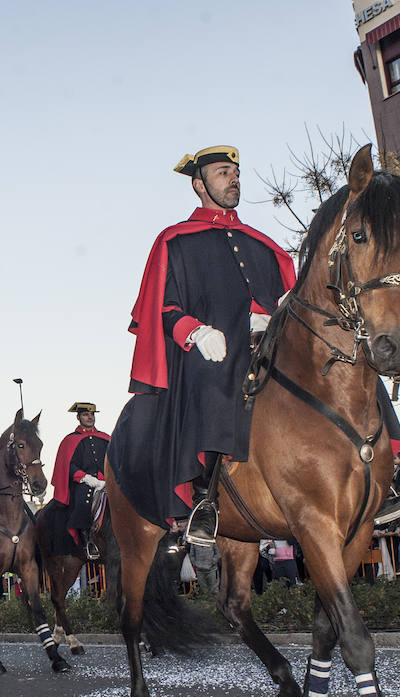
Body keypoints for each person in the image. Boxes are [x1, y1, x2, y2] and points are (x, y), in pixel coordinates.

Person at [110, 144, 293, 545]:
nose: (234, 179)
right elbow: (163, 305)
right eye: (224, 173)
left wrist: (278, 311)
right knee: (210, 377)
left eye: (235, 173)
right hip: (212, 352)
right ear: (199, 184)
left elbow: (285, 296)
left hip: (269, 347)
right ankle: (204, 498)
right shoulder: (177, 241)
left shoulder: (262, 244)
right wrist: (195, 331)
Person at [49, 402, 112, 560]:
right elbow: (68, 465)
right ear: (78, 417)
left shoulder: (105, 438)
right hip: (84, 482)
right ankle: (88, 540)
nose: (90, 417)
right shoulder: (70, 440)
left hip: (108, 482)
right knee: (83, 499)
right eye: (85, 415)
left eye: (92, 414)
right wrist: (86, 478)